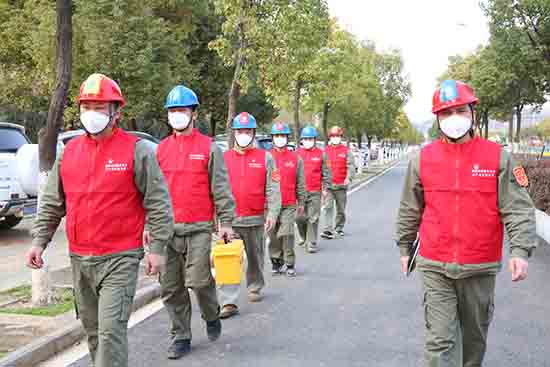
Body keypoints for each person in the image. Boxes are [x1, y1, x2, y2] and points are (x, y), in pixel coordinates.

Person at [25, 73, 174, 367]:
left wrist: (157, 248)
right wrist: (39, 242)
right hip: (81, 259)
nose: (91, 114)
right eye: (86, 107)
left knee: (110, 334)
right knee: (93, 333)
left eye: (100, 107)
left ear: (116, 111)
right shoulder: (69, 153)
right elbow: (53, 203)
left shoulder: (137, 150)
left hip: (120, 257)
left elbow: (158, 203)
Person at [395, 79, 536, 367]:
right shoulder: (422, 159)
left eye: (459, 110)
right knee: (440, 342)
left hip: (479, 266)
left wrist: (521, 251)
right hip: (435, 264)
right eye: (445, 113)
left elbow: (517, 208)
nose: (453, 118)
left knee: (473, 342)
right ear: (437, 118)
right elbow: (410, 207)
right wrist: (404, 246)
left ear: (472, 113)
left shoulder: (498, 158)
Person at [153, 85, 235, 359]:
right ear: (168, 115)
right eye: (173, 111)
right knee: (171, 287)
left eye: (182, 110)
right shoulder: (160, 150)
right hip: (166, 231)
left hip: (199, 227)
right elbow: (151, 194)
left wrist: (225, 222)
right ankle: (181, 336)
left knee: (199, 281)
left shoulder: (209, 148)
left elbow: (220, 187)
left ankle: (211, 314)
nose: (177, 115)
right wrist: (147, 227)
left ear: (194, 114)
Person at [218, 112, 281, 319]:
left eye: (247, 131)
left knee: (255, 257)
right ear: (234, 133)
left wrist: (272, 213)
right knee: (228, 259)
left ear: (253, 133)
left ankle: (254, 286)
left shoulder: (266, 158)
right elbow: (216, 189)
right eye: (240, 131)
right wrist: (216, 218)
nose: (243, 135)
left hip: (256, 218)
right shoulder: (223, 158)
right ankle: (228, 301)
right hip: (230, 221)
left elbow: (273, 188)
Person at [268, 122, 305, 276]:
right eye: (277, 136)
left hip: (289, 203)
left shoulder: (296, 159)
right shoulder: (266, 157)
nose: (280, 138)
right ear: (272, 138)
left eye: (282, 136)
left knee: (287, 233)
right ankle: (276, 260)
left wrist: (301, 201)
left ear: (287, 138)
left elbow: (300, 182)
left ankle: (290, 263)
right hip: (270, 205)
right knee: (273, 235)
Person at [296, 125, 331, 253]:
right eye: (306, 139)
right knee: (299, 218)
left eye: (310, 138)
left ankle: (312, 242)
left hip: (315, 191)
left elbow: (326, 173)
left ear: (315, 139)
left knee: (313, 218)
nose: (308, 141)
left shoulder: (321, 155)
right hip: (299, 193)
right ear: (302, 140)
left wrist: (326, 188)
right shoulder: (297, 154)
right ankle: (303, 235)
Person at [321, 126, 355, 239]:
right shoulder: (325, 151)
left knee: (341, 210)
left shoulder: (346, 151)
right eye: (333, 136)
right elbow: (321, 168)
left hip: (341, 186)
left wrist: (348, 178)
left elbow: (351, 166)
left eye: (337, 136)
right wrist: (323, 186)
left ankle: (339, 228)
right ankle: (327, 230)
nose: (335, 138)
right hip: (329, 186)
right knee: (328, 207)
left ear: (341, 137)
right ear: (330, 137)